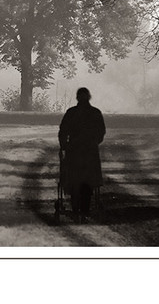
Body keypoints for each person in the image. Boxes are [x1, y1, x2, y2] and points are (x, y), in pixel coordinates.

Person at [58, 87, 105, 223]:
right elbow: (101, 132)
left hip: (74, 151)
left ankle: (76, 210)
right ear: (89, 97)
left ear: (77, 98)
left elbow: (63, 131)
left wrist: (64, 146)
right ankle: (84, 210)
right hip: (90, 152)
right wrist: (94, 142)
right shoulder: (95, 113)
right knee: (88, 181)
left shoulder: (71, 113)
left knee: (74, 180)